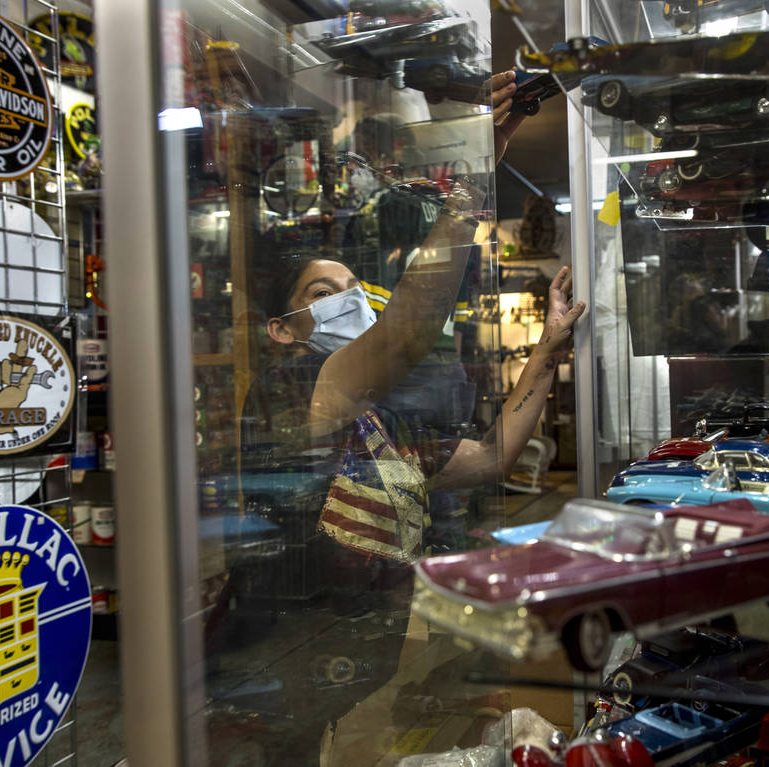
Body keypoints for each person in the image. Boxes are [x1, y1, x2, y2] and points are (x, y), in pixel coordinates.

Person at [230, 70, 584, 763]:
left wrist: (548, 344)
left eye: (353, 289)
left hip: (344, 672)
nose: (347, 302)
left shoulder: (373, 416)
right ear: (281, 327)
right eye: (323, 293)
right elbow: (405, 330)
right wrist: (477, 175)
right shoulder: (293, 385)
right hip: (271, 673)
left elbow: (490, 458)